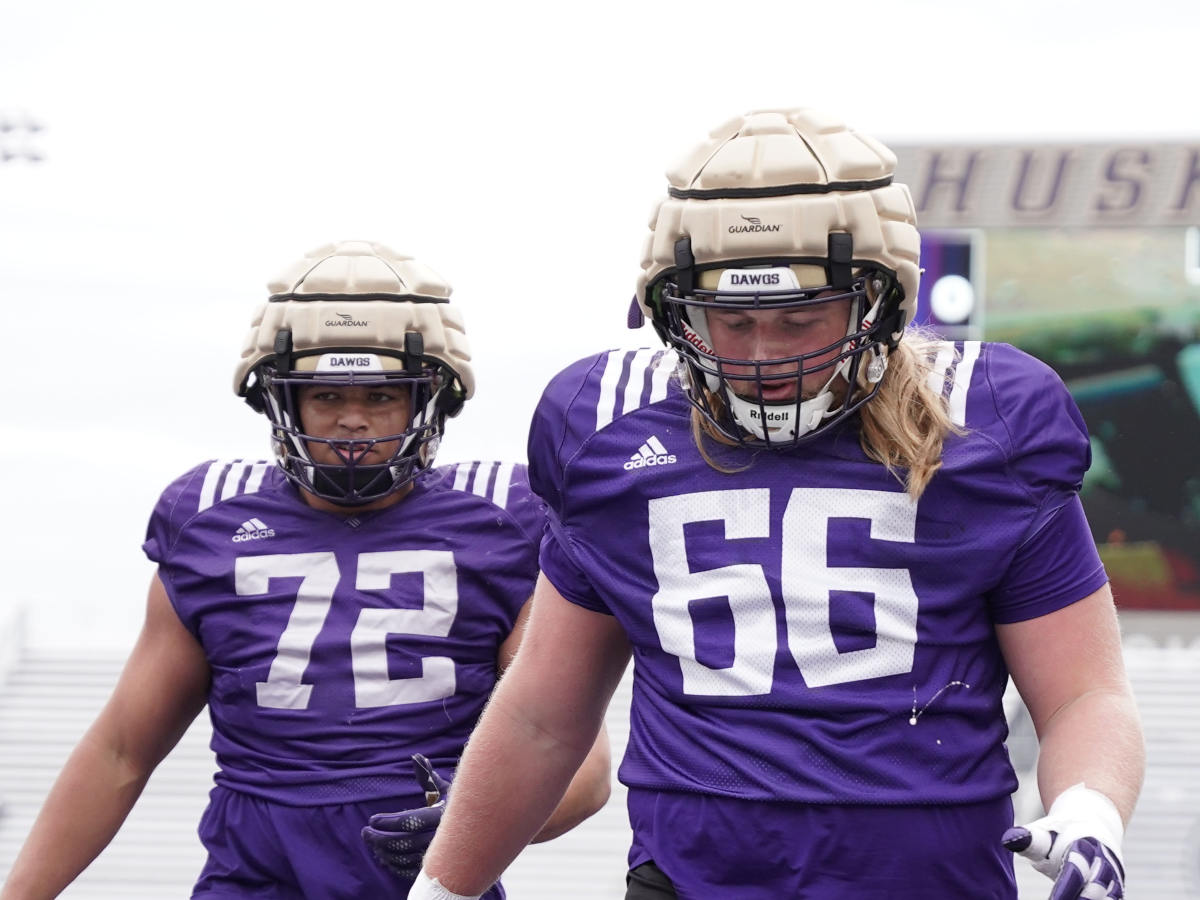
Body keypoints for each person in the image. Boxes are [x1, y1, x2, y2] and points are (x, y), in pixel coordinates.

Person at [407, 110, 1146, 900]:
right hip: (689, 882)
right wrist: (444, 887)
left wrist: (1091, 807)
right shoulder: (606, 434)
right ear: (672, 311)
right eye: (730, 321)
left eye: (798, 320)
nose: (762, 355)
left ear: (878, 304)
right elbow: (543, 714)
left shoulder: (986, 426)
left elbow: (1081, 692)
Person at [0, 240, 610, 900]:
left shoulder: (504, 520)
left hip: (429, 883)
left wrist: (465, 829)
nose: (352, 419)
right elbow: (121, 751)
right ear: (279, 402)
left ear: (430, 397)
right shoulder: (209, 520)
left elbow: (577, 761)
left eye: (381, 395)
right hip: (255, 879)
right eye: (325, 394)